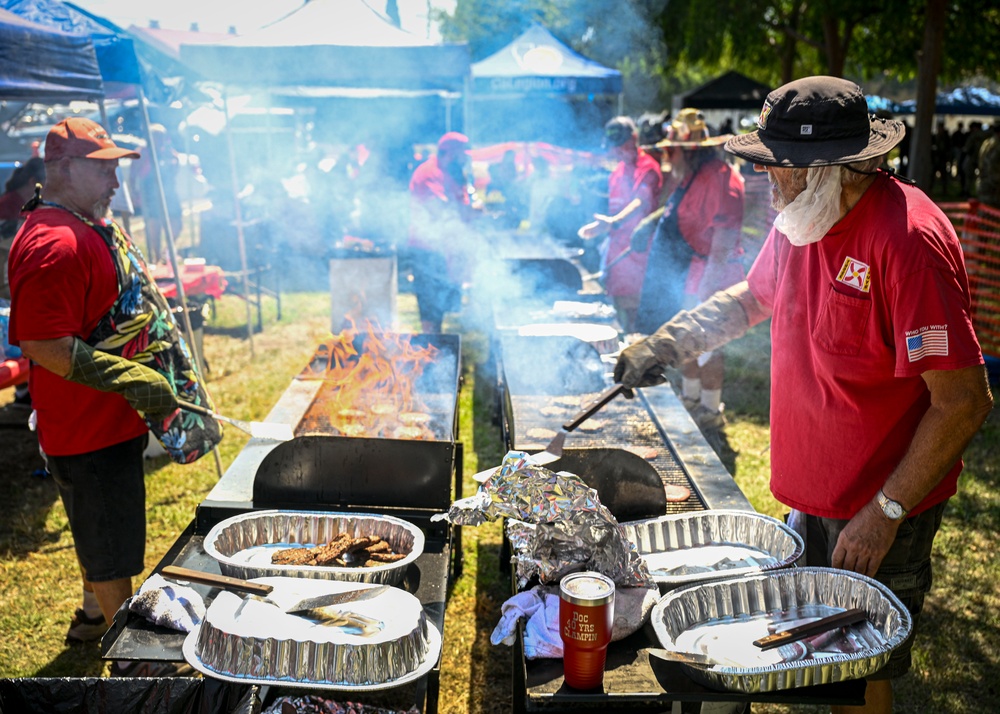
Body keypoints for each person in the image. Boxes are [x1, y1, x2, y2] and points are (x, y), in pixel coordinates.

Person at [614, 77, 993, 714]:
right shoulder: (803, 217)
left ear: (828, 168)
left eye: (777, 170)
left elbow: (964, 400)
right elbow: (753, 297)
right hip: (815, 500)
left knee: (858, 670)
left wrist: (886, 512)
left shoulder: (907, 241)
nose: (768, 183)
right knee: (813, 667)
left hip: (881, 505)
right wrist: (668, 341)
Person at [7, 117, 220, 662]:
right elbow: (40, 341)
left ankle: (94, 616)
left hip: (110, 421)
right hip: (86, 431)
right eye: (104, 170)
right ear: (63, 167)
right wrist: (129, 378)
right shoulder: (53, 243)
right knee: (112, 547)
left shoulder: (84, 221)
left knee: (98, 528)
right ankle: (123, 652)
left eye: (117, 168)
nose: (117, 184)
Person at [630, 109, 744, 430]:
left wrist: (708, 287)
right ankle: (691, 399)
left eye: (671, 149)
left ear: (689, 150)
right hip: (693, 271)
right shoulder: (691, 175)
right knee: (689, 340)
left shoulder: (722, 177)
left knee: (710, 344)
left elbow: (723, 238)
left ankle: (710, 409)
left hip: (716, 273)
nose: (668, 156)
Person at [578, 117, 663, 331]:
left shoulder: (648, 168)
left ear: (634, 138)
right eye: (613, 146)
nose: (616, 150)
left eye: (621, 144)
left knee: (634, 309)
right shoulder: (616, 172)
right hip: (616, 252)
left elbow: (640, 201)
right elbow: (615, 210)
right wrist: (601, 227)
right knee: (614, 310)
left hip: (637, 252)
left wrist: (614, 222)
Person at [407, 131, 478, 333]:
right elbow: (440, 209)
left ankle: (437, 348)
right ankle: (430, 350)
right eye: (463, 154)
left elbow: (462, 204)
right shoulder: (428, 173)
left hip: (446, 248)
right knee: (431, 307)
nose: (466, 158)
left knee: (443, 305)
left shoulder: (452, 174)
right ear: (451, 153)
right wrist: (470, 212)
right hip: (427, 249)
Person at [130, 123, 182, 263]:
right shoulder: (142, 153)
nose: (159, 139)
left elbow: (176, 166)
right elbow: (133, 174)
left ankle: (168, 251)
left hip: (168, 191)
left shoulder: (168, 152)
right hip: (150, 192)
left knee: (177, 221)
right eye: (156, 136)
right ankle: (157, 256)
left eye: (161, 136)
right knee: (154, 224)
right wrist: (133, 192)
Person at [976, 121, 1000, 210]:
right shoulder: (997, 145)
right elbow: (992, 165)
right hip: (993, 184)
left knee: (984, 210)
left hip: (983, 181)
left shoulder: (987, 143)